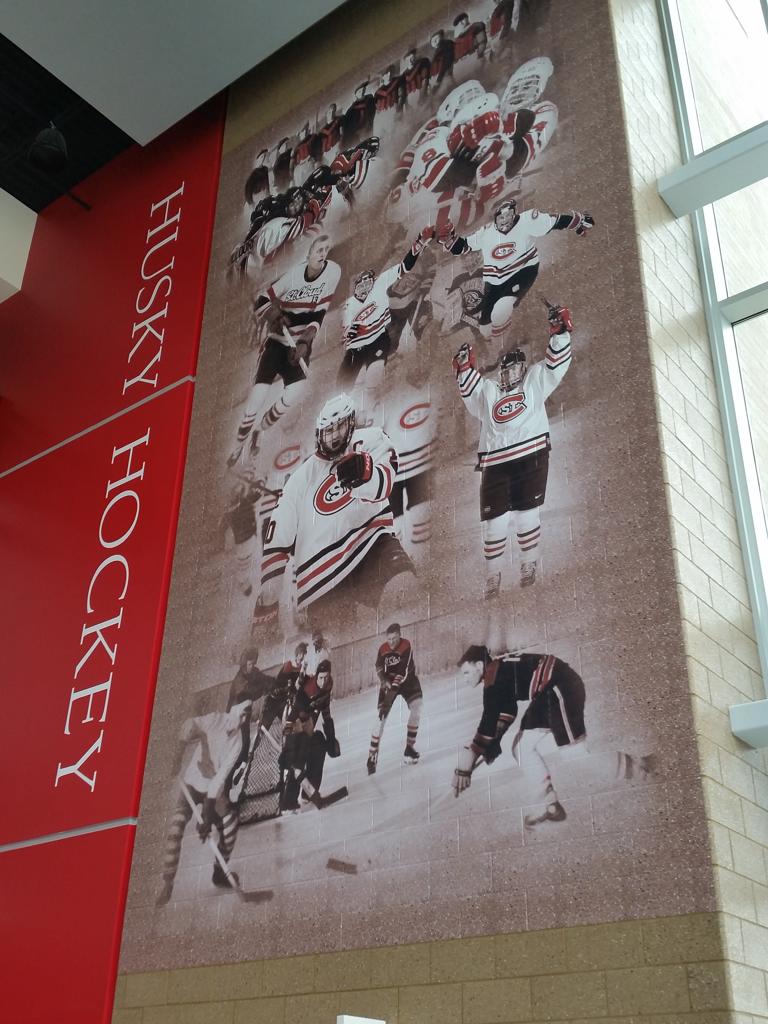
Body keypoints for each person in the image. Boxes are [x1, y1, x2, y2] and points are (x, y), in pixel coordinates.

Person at [453, 646, 655, 827]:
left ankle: (641, 768)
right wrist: (491, 743)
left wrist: (464, 769)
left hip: (560, 688)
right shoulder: (498, 672)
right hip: (546, 694)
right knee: (522, 748)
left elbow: (488, 724)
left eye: (467, 672)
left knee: (575, 755)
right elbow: (506, 713)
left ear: (479, 665)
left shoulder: (494, 677)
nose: (465, 679)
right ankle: (549, 805)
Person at [258, 393, 413, 629]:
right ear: (319, 433)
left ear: (351, 422)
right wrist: (268, 599)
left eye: (340, 426)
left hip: (371, 543)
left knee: (405, 588)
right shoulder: (299, 480)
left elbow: (385, 484)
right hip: (321, 573)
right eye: (329, 430)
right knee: (337, 640)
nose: (334, 435)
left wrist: (365, 473)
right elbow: (277, 541)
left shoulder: (370, 439)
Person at [452, 300, 573, 594]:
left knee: (526, 514)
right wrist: (464, 368)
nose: (511, 374)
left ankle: (528, 564)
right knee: (494, 522)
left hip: (531, 456)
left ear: (524, 367)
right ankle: (492, 575)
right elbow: (472, 395)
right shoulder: (490, 391)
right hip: (495, 463)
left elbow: (556, 365)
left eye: (516, 368)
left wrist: (559, 331)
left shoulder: (534, 380)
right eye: (506, 370)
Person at [228, 234, 341, 465]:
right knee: (256, 401)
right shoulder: (293, 276)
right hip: (277, 342)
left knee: (293, 393)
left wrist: (305, 342)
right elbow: (261, 301)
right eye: (319, 250)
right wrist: (274, 315)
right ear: (309, 253)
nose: (323, 254)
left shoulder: (333, 272)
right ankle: (238, 446)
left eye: (326, 249)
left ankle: (259, 432)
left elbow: (319, 314)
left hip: (299, 346)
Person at [441, 199, 593, 346]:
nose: (505, 220)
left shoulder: (527, 220)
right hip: (496, 281)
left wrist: (578, 221)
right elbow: (462, 246)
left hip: (522, 272)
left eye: (508, 215)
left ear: (514, 214)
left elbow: (554, 221)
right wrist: (450, 239)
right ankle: (498, 343)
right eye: (501, 217)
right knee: (485, 327)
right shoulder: (486, 232)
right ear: (495, 219)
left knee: (500, 309)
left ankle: (502, 347)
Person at [155, 698, 253, 906]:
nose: (243, 719)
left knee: (230, 824)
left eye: (247, 715)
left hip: (213, 791)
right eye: (242, 713)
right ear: (234, 710)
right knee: (175, 828)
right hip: (191, 783)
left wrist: (208, 814)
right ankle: (168, 882)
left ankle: (219, 873)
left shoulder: (238, 742)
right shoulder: (215, 720)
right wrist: (179, 754)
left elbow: (220, 778)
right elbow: (189, 723)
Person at [339, 227, 434, 426]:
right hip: (390, 309)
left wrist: (425, 283)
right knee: (380, 351)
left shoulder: (425, 257)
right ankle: (359, 405)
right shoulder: (387, 271)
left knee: (418, 331)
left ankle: (418, 368)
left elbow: (427, 268)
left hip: (411, 303)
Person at [280, 659, 338, 808]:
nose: (323, 681)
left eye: (326, 677)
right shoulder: (308, 689)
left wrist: (331, 737)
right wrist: (289, 742)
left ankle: (309, 793)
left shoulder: (328, 685)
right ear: (316, 676)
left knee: (319, 746)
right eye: (321, 678)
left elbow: (325, 711)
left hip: (308, 721)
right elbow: (293, 714)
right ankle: (288, 803)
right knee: (298, 759)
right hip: (295, 721)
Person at [366, 623, 423, 773]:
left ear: (400, 635)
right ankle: (372, 755)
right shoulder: (383, 649)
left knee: (417, 708)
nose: (391, 642)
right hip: (389, 683)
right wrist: (383, 680)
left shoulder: (406, 645)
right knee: (381, 718)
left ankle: (409, 748)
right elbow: (378, 666)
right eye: (389, 639)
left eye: (394, 638)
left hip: (407, 681)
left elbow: (403, 671)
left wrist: (393, 688)